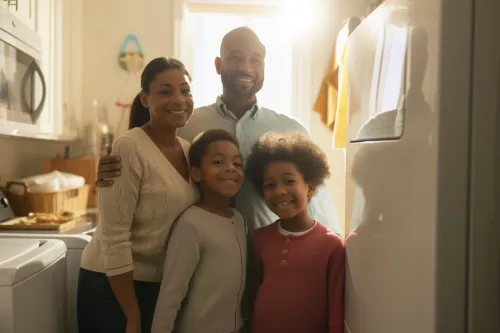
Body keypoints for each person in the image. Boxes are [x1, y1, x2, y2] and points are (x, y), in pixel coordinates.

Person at [95, 26, 342, 235]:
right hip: (201, 257)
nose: (246, 67)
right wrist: (114, 168)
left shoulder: (292, 130)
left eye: (255, 60)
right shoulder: (186, 126)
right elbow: (144, 166)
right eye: (236, 57)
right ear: (218, 64)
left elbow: (318, 206)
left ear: (264, 68)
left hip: (273, 261)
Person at [77, 57, 199, 333]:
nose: (178, 99)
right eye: (165, 91)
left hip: (157, 286)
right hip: (113, 287)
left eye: (186, 90)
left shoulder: (189, 150)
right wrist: (131, 314)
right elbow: (114, 235)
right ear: (145, 99)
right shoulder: (129, 146)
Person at [244, 132, 345, 333]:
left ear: (310, 188)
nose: (280, 191)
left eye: (289, 181)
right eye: (270, 185)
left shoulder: (331, 246)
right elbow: (251, 297)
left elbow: (336, 310)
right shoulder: (259, 239)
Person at [150, 129, 247, 333]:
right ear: (196, 173)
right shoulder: (191, 224)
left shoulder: (239, 220)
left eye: (237, 163)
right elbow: (171, 295)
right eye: (218, 162)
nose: (231, 168)